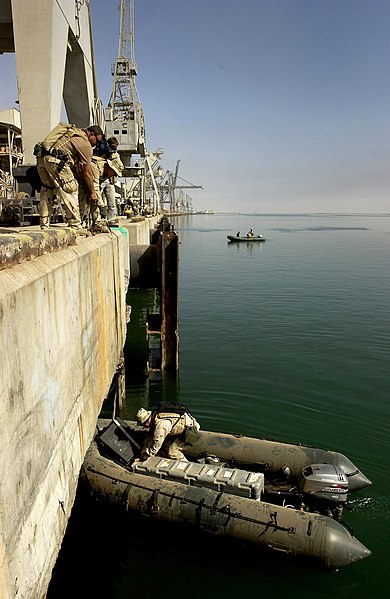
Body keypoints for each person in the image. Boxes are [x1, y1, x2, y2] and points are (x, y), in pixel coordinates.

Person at [36, 123, 103, 232]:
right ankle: (75, 226)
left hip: (42, 158)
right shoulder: (85, 144)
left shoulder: (72, 133)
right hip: (57, 161)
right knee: (71, 188)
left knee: (47, 190)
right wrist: (92, 192)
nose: (97, 144)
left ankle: (44, 225)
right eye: (98, 140)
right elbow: (87, 172)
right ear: (91, 134)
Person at [135, 406, 200, 461]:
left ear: (146, 422)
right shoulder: (154, 417)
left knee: (172, 452)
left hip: (190, 431)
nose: (143, 427)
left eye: (142, 425)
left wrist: (144, 457)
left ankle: (185, 465)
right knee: (165, 446)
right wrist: (142, 451)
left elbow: (157, 444)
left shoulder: (161, 426)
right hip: (178, 428)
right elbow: (150, 437)